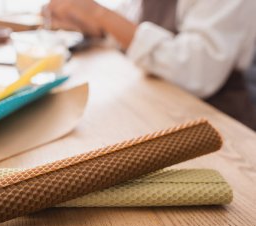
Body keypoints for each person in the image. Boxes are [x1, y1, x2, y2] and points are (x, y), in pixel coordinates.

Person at [46, 0, 256, 130]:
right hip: (159, 107)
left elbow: (195, 72)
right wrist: (86, 21)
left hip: (218, 120)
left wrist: (101, 14)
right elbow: (125, 32)